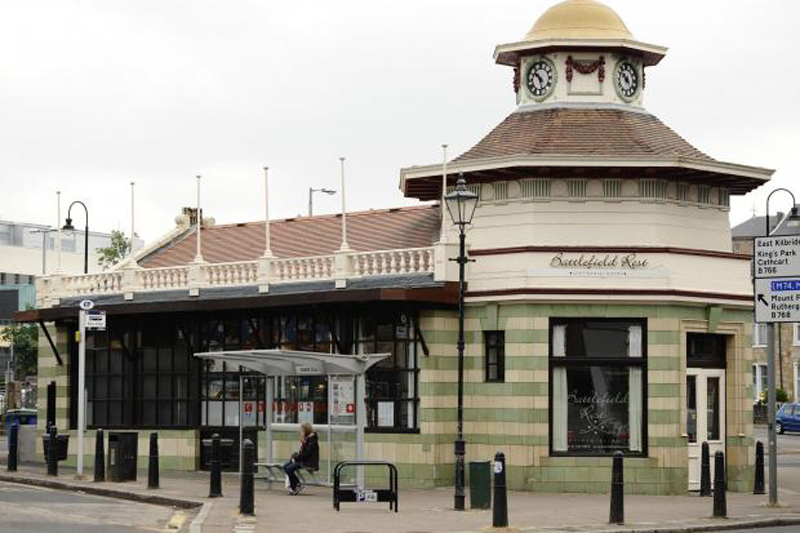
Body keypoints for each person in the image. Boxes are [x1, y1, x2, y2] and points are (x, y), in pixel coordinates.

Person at [283, 422, 319, 495]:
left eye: (301, 431)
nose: (300, 432)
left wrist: (296, 458)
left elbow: (306, 454)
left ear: (306, 431)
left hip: (309, 462)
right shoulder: (307, 439)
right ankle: (296, 485)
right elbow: (302, 453)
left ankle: (296, 485)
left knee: (289, 468)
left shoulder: (312, 440)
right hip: (304, 460)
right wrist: (296, 456)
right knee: (286, 466)